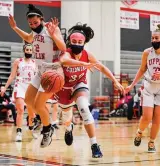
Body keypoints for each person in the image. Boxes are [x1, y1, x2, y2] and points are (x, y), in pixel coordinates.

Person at [8, 5, 96, 146]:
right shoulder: (34, 32)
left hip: (53, 71)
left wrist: (54, 34)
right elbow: (28, 38)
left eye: (35, 23)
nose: (33, 25)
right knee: (29, 101)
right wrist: (14, 27)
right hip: (41, 70)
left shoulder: (51, 28)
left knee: (39, 104)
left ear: (42, 19)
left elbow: (62, 47)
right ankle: (40, 119)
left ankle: (47, 129)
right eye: (30, 23)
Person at [54, 23, 124, 158]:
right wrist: (84, 64)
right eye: (74, 41)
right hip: (64, 88)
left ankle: (94, 145)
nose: (77, 44)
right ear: (70, 41)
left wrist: (115, 81)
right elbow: (65, 62)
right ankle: (69, 129)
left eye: (80, 42)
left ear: (84, 42)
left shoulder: (88, 54)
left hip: (79, 84)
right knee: (67, 119)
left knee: (84, 109)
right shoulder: (66, 53)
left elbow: (102, 68)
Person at [125, 24, 160, 153]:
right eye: (152, 38)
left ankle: (151, 142)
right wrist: (131, 85)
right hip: (148, 86)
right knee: (147, 117)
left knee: (157, 118)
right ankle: (139, 132)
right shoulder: (147, 52)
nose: (153, 40)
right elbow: (142, 70)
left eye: (156, 38)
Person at [0, 44, 37, 142]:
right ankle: (19, 132)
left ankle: (31, 129)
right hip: (20, 86)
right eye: (27, 49)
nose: (29, 51)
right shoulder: (18, 61)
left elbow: (37, 77)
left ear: (32, 51)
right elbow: (12, 76)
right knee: (20, 110)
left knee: (31, 113)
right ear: (24, 50)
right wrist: (5, 88)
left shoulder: (35, 63)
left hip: (30, 88)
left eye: (30, 50)